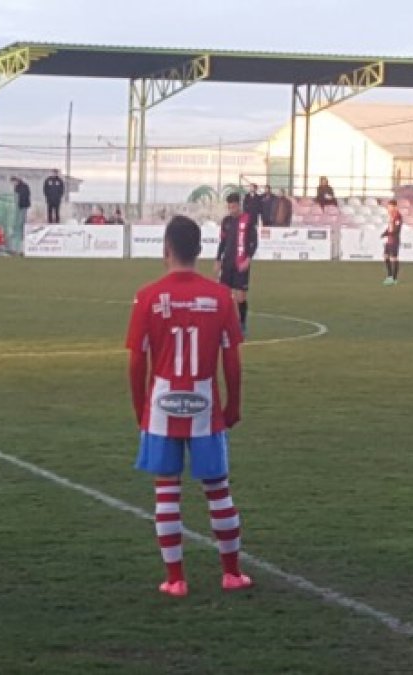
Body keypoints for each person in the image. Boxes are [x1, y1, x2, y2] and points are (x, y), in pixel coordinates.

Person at [125, 215, 251, 598]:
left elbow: (135, 362)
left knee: (166, 491)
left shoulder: (147, 296)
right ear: (200, 251)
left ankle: (176, 579)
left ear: (166, 249)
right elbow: (232, 360)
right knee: (218, 489)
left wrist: (140, 410)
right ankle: (231, 573)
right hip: (204, 405)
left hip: (162, 404)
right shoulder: (220, 297)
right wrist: (233, 405)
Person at [215, 193, 257, 336]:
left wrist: (248, 259)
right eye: (229, 207)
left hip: (241, 263)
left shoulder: (248, 219)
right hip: (227, 263)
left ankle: (242, 323)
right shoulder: (226, 221)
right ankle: (222, 323)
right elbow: (222, 242)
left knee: (240, 297)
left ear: (239, 205)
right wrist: (218, 259)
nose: (231, 210)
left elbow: (254, 242)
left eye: (233, 206)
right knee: (223, 294)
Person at [382, 200, 403, 286]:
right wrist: (385, 233)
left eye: (390, 206)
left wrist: (389, 233)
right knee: (385, 256)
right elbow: (390, 227)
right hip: (389, 240)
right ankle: (390, 276)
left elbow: (397, 230)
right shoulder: (391, 216)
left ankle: (394, 279)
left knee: (394, 259)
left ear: (394, 207)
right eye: (388, 206)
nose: (388, 208)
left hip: (394, 240)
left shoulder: (398, 216)